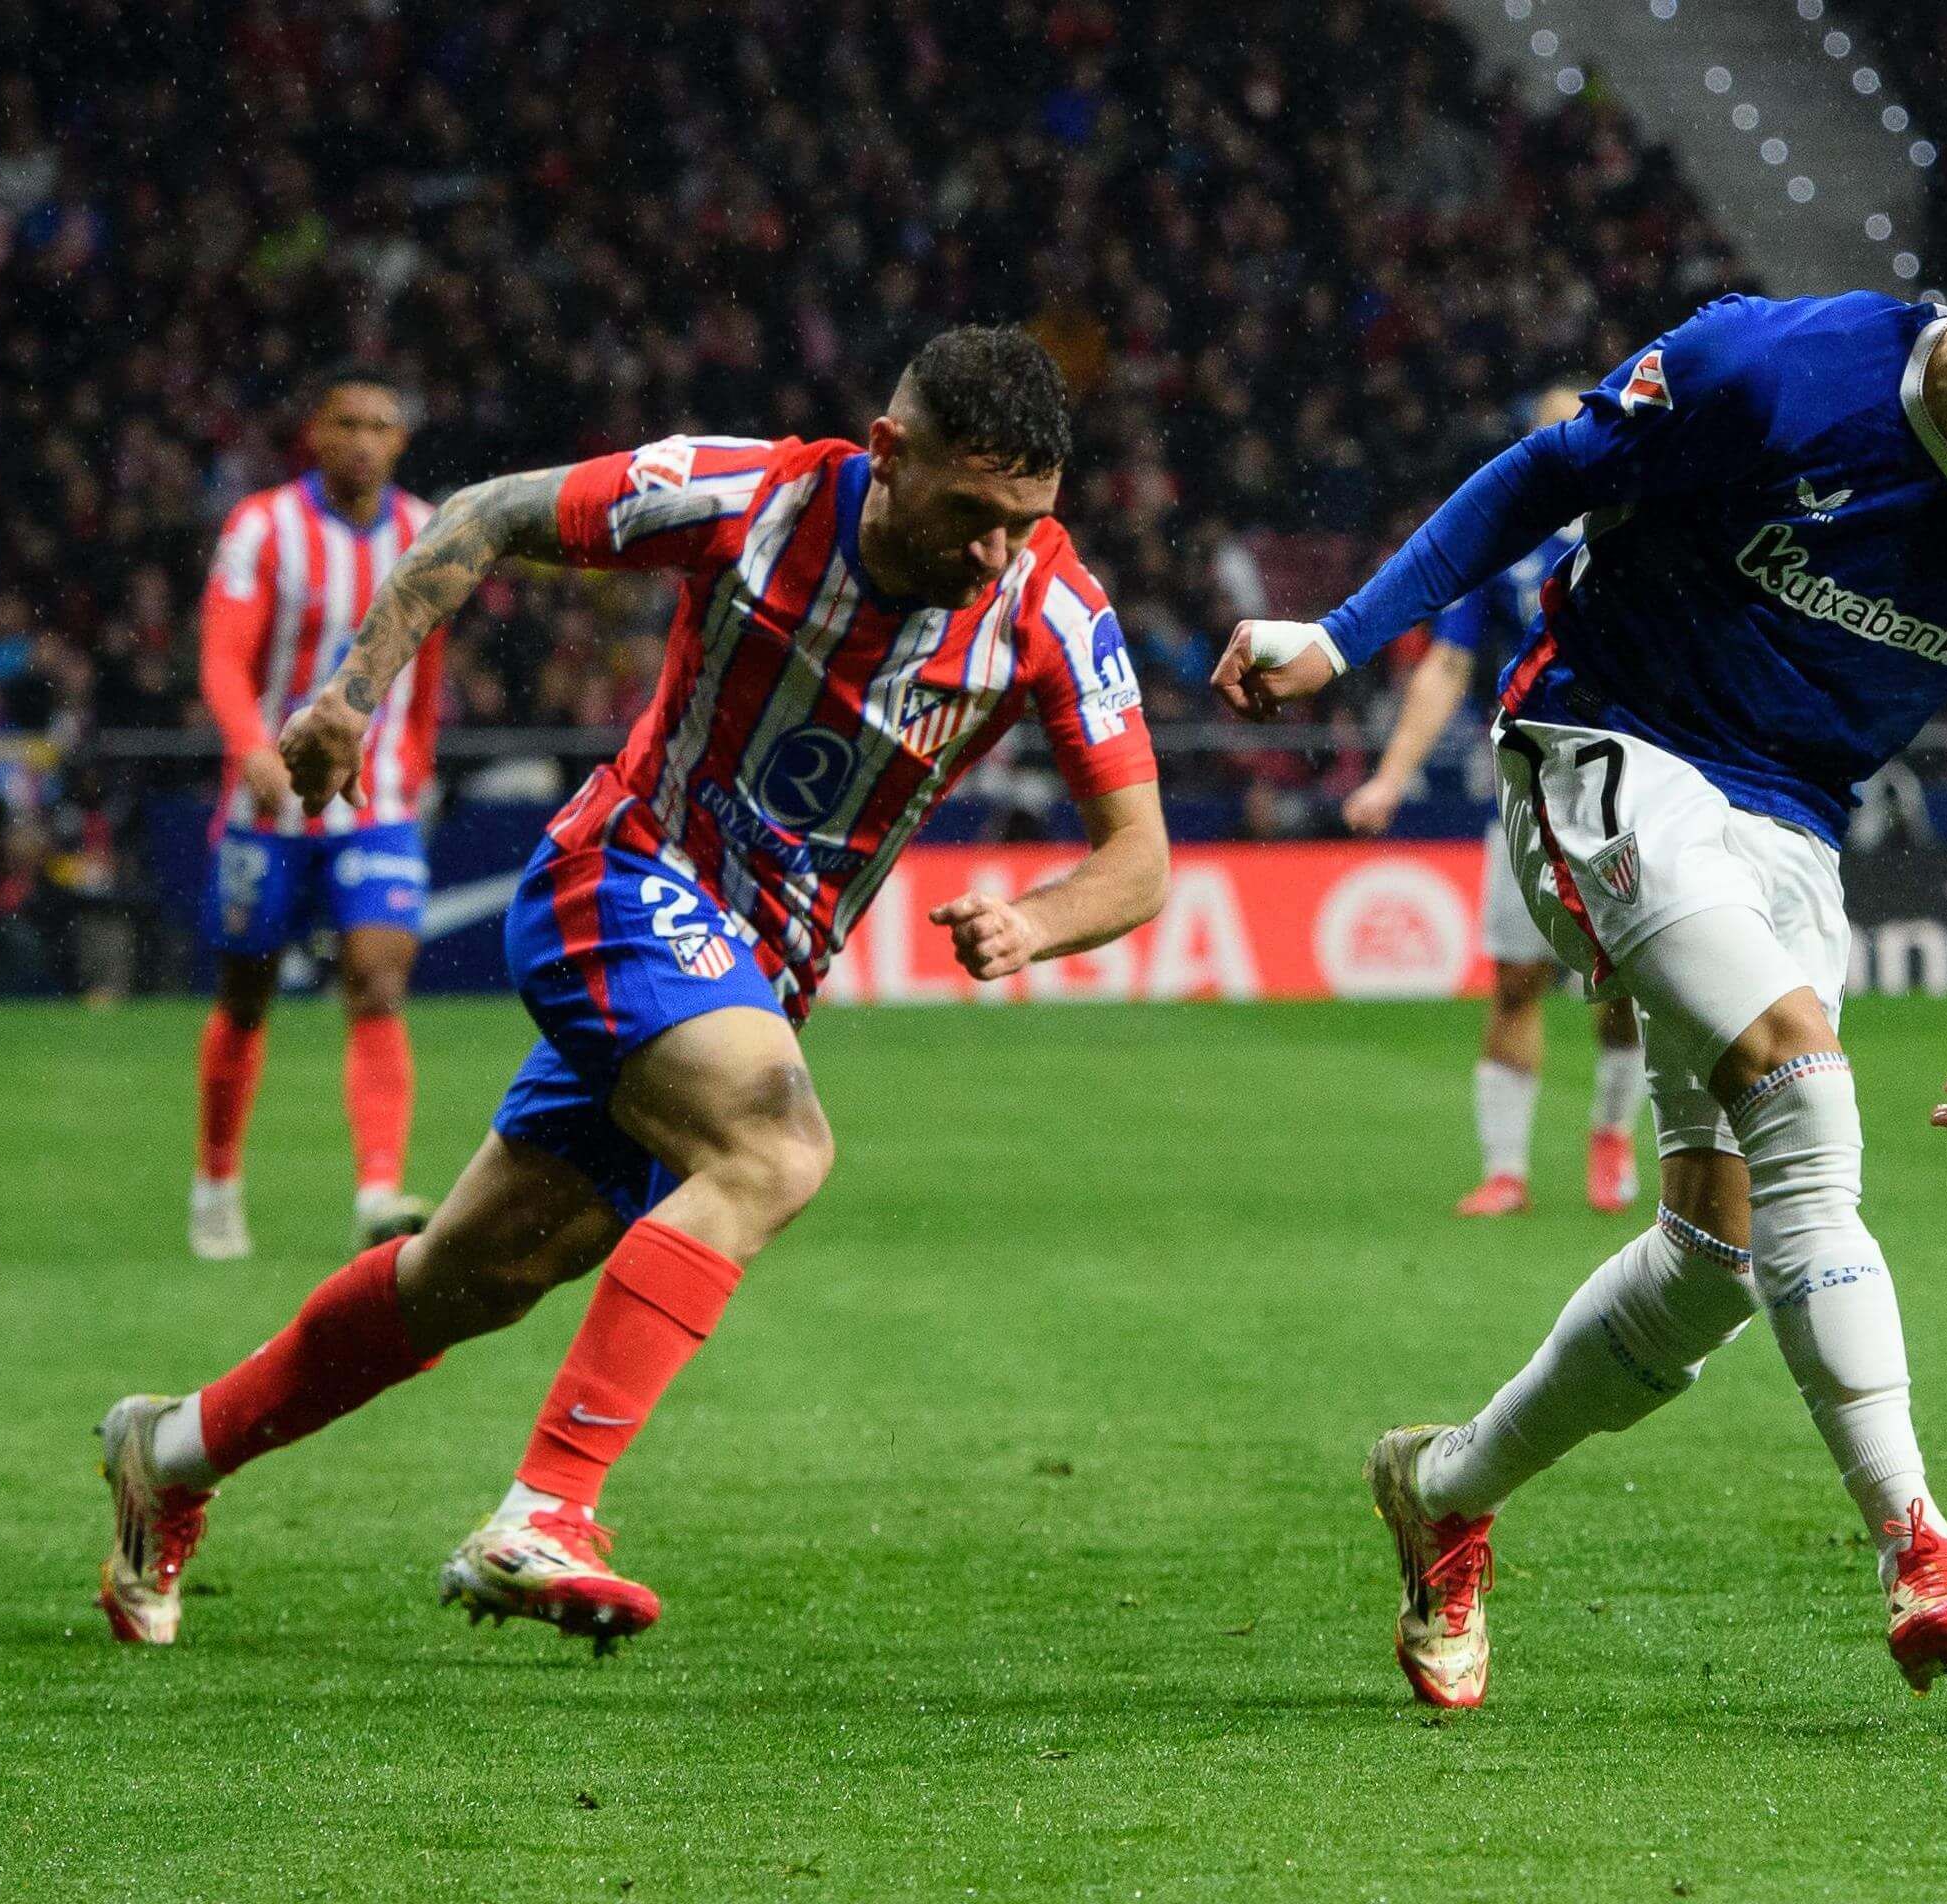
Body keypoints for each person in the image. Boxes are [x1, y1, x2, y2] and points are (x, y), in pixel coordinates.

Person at [1217, 154, 1947, 1703]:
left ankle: (1446, 1489)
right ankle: (1917, 1542)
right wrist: (1345, 638)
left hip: (1789, 835)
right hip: (1609, 747)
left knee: (1712, 1263)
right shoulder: (1772, 368)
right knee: (1803, 1080)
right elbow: (1543, 475)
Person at [97, 327, 1168, 1650]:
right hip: (621, 877)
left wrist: (1033, 918)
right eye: (971, 512)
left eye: (1025, 520)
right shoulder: (751, 498)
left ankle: (170, 1452)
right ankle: (545, 1512)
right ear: (890, 454)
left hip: (749, 974)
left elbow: (1138, 859)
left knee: (468, 1279)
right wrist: (350, 695)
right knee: (775, 1147)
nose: (994, 551)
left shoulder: (1051, 609)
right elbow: (487, 512)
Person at [1341, 386, 1646, 1218]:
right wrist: (1392, 776)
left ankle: (1610, 1131)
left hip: (1630, 788)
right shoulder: (1507, 542)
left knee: (1626, 985)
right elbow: (1447, 665)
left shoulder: (1639, 526)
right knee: (1515, 979)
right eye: (1552, 431)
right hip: (1527, 790)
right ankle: (1506, 1170)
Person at [191, 365, 446, 1259]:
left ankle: (378, 1190)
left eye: (382, 426)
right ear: (316, 434)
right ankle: (217, 1180)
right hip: (265, 805)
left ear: (401, 442)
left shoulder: (426, 532)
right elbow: (223, 657)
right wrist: (251, 748)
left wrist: (416, 758)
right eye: (349, 424)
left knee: (378, 982)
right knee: (245, 997)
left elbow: (428, 661)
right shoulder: (262, 528)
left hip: (377, 805)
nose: (365, 442)